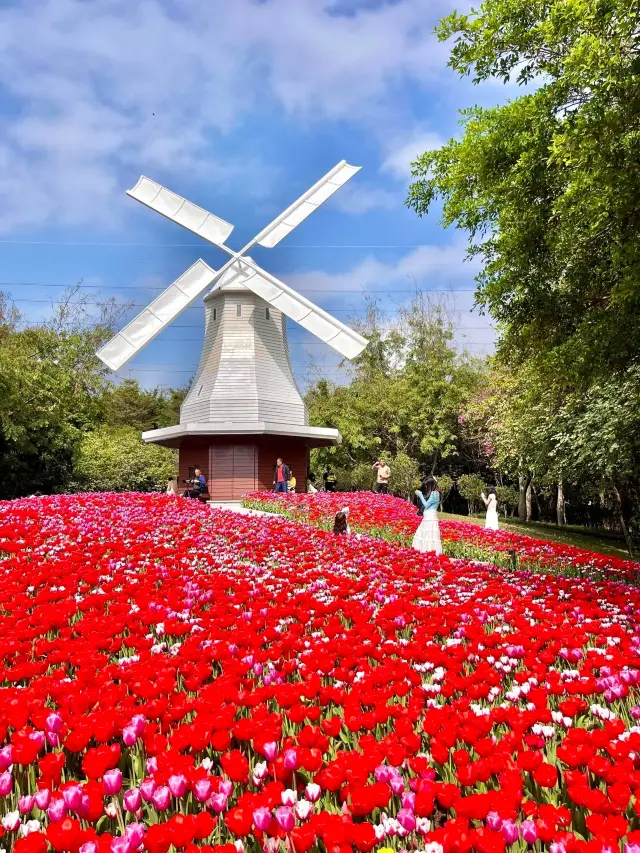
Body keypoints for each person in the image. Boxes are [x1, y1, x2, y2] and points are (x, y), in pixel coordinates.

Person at [412, 477, 442, 555]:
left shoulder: (435, 493)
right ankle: (423, 551)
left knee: (429, 536)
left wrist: (420, 495)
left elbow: (426, 505)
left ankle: (429, 552)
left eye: (426, 485)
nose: (425, 487)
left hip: (430, 518)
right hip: (427, 517)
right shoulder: (434, 493)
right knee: (424, 535)